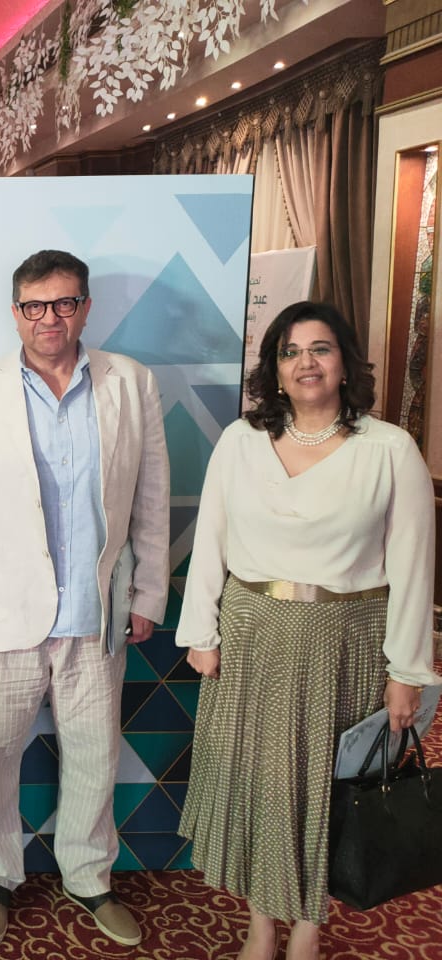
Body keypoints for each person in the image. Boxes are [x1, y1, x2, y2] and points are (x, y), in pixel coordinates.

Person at [176, 300, 440, 960]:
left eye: (320, 348)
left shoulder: (389, 449)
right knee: (261, 788)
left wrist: (408, 671)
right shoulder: (240, 441)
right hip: (251, 634)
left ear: (345, 362)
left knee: (322, 793)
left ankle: (308, 928)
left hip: (344, 641)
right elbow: (210, 540)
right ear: (275, 368)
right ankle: (262, 924)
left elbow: (413, 569)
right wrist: (200, 633)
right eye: (290, 352)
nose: (306, 363)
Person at [0, 249, 169, 948]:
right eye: (35, 305)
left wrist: (148, 591)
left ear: (85, 308)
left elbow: (152, 498)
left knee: (95, 756)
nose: (49, 318)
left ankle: (89, 877)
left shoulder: (132, 383)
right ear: (16, 313)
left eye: (64, 303)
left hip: (96, 614)